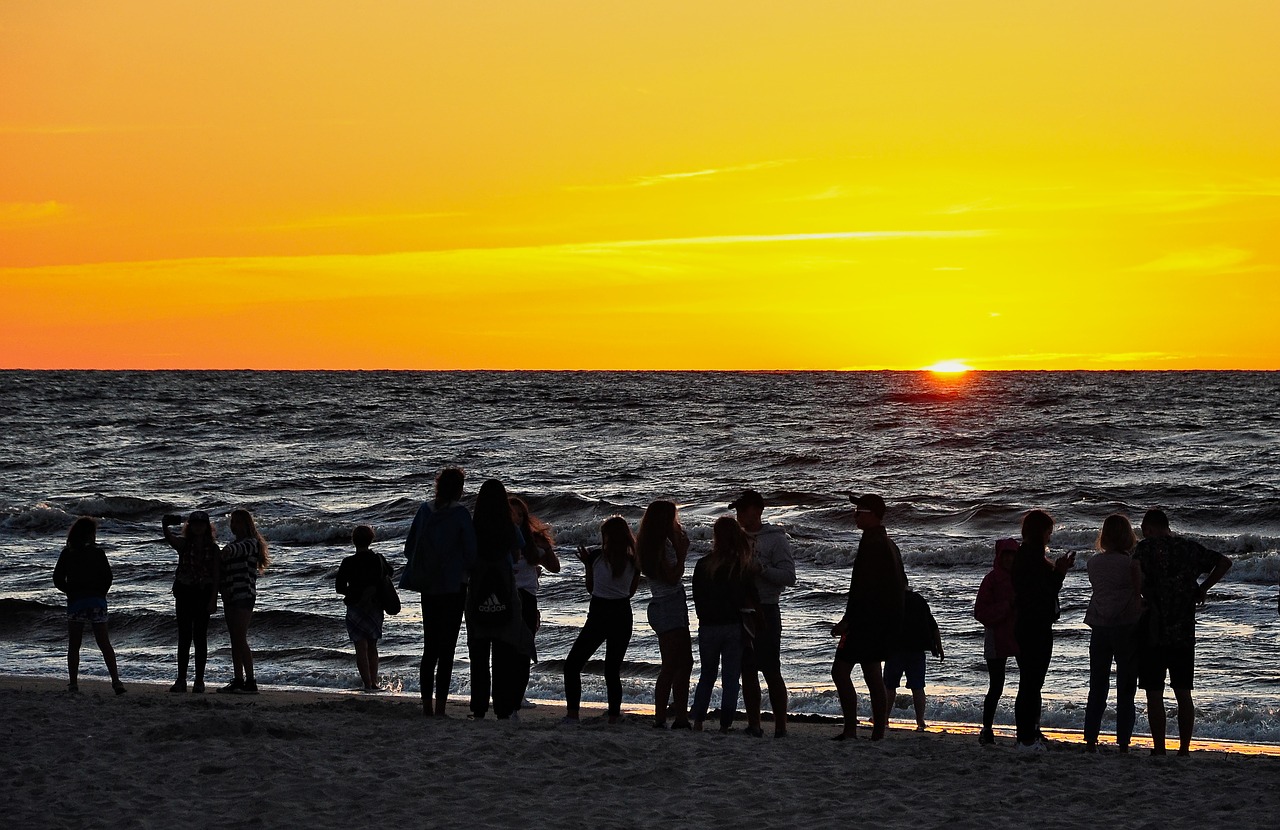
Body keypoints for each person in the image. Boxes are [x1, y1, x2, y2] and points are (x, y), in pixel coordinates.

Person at [1133, 509, 1232, 756]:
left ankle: (1159, 749)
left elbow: (1134, 568)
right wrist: (1203, 589)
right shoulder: (1188, 548)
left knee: (1154, 692)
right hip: (1183, 630)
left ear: (1149, 528)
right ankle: (1184, 749)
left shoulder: (1145, 548)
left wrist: (1137, 595)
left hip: (1153, 628)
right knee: (1183, 692)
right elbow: (1224, 562)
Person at [401, 466, 477, 717]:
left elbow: (409, 547)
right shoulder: (461, 514)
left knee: (430, 647)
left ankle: (426, 706)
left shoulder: (424, 510)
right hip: (454, 586)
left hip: (428, 585)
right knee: (447, 649)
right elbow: (470, 554)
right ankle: (441, 707)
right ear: (459, 489)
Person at [830, 494, 906, 741]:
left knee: (840, 671)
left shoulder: (872, 544)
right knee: (872, 672)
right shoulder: (888, 544)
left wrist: (847, 621)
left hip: (864, 622)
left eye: (859, 511)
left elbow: (863, 589)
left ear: (872, 514)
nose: (854, 515)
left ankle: (852, 729)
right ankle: (878, 732)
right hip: (880, 621)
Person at [465, 478, 533, 720]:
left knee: (479, 656)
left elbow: (467, 559)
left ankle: (479, 707)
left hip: (478, 590)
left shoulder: (473, 529)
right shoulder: (510, 529)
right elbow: (517, 556)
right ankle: (503, 708)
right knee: (504, 655)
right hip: (505, 589)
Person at [563, 516, 641, 724]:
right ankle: (614, 716)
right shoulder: (634, 560)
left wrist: (587, 566)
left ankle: (572, 715)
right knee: (612, 670)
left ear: (606, 536)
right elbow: (630, 593)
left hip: (599, 614)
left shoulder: (597, 556)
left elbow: (591, 589)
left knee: (572, 665)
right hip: (622, 614)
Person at [731, 489, 796, 738]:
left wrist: (762, 569)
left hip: (767, 609)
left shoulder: (776, 539)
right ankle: (754, 723)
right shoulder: (735, 538)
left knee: (770, 669)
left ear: (757, 511)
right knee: (746, 669)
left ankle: (781, 726)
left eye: (742, 510)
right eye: (737, 510)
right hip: (740, 609)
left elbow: (789, 576)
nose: (738, 515)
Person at [1011, 509, 1074, 751]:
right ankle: (1026, 736)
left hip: (1029, 624)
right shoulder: (1030, 557)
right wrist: (1059, 573)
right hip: (1033, 626)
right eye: (1048, 532)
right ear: (1040, 533)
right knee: (1030, 682)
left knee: (1031, 682)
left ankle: (1030, 731)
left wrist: (1059, 570)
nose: (1050, 537)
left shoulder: (1026, 555)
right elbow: (1044, 592)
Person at [690, 516, 760, 733]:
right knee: (731, 677)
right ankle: (725, 723)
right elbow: (750, 595)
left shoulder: (703, 564)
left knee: (707, 674)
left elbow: (697, 597)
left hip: (708, 626)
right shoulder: (739, 565)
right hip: (732, 625)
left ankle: (699, 720)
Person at [1082, 514, 1144, 752]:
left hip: (1099, 623)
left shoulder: (1093, 563)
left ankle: (1090, 738)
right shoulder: (1131, 564)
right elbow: (1138, 588)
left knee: (1097, 684)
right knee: (1126, 685)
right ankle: (1124, 741)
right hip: (1126, 624)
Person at [636, 499, 693, 729]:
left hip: (661, 604)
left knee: (674, 663)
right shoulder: (663, 545)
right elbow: (673, 577)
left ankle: (669, 716)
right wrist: (682, 554)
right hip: (669, 603)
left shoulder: (647, 543)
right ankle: (671, 716)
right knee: (677, 663)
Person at [52, 517, 125, 695]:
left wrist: (70, 591)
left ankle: (73, 683)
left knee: (74, 644)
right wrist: (100, 593)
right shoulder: (98, 553)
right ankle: (115, 681)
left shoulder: (67, 553)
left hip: (77, 603)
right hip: (96, 602)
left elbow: (57, 578)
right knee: (104, 643)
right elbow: (108, 577)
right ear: (90, 534)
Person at [510, 495, 561, 707]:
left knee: (525, 648)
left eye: (521, 514)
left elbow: (555, 567)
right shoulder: (500, 538)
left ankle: (519, 695)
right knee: (507, 648)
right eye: (513, 514)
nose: (518, 519)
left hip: (528, 597)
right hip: (507, 596)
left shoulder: (531, 540)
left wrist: (545, 549)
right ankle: (505, 692)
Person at [162, 510, 220, 693]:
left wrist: (213, 600)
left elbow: (216, 576)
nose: (198, 527)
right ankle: (181, 679)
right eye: (195, 524)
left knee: (200, 638)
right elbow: (171, 539)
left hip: (203, 594)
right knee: (184, 637)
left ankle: (199, 681)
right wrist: (165, 525)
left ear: (207, 527)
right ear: (190, 526)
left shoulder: (213, 548)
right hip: (184, 593)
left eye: (202, 524)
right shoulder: (184, 545)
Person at [218, 508, 270, 695]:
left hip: (244, 595)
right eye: (232, 522)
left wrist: (222, 553)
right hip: (231, 595)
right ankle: (238, 679)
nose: (234, 525)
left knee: (240, 638)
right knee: (235, 639)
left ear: (246, 524)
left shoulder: (251, 543)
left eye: (237, 522)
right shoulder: (236, 543)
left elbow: (234, 550)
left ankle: (250, 680)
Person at [973, 538, 1019, 745]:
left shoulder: (1022, 578)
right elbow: (980, 612)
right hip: (996, 637)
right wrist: (1007, 606)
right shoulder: (991, 580)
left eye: (1013, 555)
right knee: (996, 685)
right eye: (1006, 555)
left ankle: (1029, 727)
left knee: (1029, 684)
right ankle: (987, 728)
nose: (1009, 559)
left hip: (1019, 635)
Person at [336, 525, 393, 691]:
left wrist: (354, 593)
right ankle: (374, 682)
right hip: (375, 606)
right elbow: (390, 572)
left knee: (360, 646)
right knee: (372, 645)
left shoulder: (348, 562)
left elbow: (339, 587)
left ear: (353, 541)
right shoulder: (378, 559)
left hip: (355, 607)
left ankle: (367, 683)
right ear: (371, 540)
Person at [883, 589, 944, 732]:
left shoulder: (892, 600)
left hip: (895, 650)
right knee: (917, 687)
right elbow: (933, 625)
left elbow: (883, 626)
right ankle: (920, 720)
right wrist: (939, 646)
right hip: (916, 650)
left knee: (889, 686)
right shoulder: (919, 600)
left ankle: (884, 717)